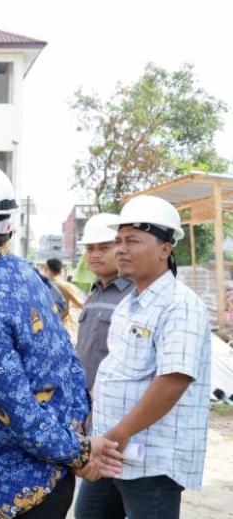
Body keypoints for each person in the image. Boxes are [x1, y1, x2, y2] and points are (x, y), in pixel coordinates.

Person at [0, 160, 122, 518]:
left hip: (8, 492)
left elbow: (14, 406)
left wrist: (79, 454)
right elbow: (65, 365)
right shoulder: (22, 273)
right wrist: (75, 444)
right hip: (37, 479)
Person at [76, 195, 212, 519]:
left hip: (151, 459)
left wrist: (118, 435)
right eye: (119, 241)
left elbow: (172, 381)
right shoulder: (129, 305)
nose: (121, 249)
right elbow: (114, 370)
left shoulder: (180, 305)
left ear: (165, 249)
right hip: (113, 449)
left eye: (133, 241)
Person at [75, 214, 133, 392]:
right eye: (90, 249)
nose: (95, 255)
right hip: (85, 399)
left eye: (104, 248)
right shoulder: (94, 294)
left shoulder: (134, 296)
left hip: (115, 401)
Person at [44, 258, 85, 333]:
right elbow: (80, 304)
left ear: (46, 268)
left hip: (45, 325)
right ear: (60, 271)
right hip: (63, 326)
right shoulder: (68, 287)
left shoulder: (40, 285)